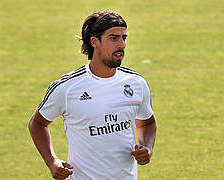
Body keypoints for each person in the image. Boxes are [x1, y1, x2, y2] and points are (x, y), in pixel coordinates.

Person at [28, 10, 157, 180]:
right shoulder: (67, 88)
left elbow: (147, 122)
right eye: (113, 38)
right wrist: (52, 161)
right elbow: (37, 123)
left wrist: (147, 147)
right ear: (95, 42)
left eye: (123, 38)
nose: (121, 45)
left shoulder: (136, 83)